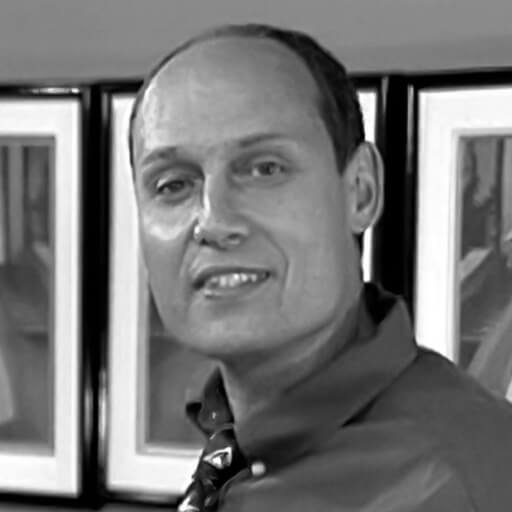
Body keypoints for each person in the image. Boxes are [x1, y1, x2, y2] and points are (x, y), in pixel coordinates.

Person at [128, 23, 512, 512]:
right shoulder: (234, 438)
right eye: (172, 185)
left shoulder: (456, 484)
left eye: (265, 169)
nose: (214, 221)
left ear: (361, 192)